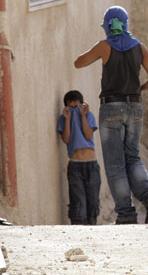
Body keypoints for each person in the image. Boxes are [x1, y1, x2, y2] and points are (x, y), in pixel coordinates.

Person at [74, 5, 148, 225]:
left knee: (115, 164)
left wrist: (97, 49)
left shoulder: (104, 47)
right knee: (133, 157)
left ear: (106, 25)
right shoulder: (140, 47)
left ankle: (126, 214)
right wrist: (138, 90)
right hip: (134, 107)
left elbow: (78, 63)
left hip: (111, 108)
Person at [57, 90, 101, 225]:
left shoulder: (88, 116)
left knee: (93, 200)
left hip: (92, 165)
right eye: (71, 105)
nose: (75, 108)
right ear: (66, 106)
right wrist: (68, 119)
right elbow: (66, 139)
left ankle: (92, 228)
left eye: (78, 105)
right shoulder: (63, 119)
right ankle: (78, 231)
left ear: (83, 104)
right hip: (75, 165)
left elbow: (88, 136)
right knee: (78, 201)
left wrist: (82, 117)